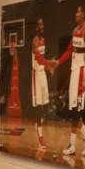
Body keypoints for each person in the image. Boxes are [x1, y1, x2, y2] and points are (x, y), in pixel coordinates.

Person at [52, 5, 85, 156]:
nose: (76, 13)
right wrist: (57, 62)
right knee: (73, 110)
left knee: (74, 111)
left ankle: (76, 143)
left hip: (81, 72)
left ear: (84, 14)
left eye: (78, 11)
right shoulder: (75, 30)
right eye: (75, 10)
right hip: (74, 72)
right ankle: (84, 139)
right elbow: (69, 50)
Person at [31, 18, 54, 150]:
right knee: (39, 107)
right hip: (36, 75)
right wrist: (49, 64)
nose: (42, 26)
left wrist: (48, 68)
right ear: (36, 28)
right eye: (40, 25)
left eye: (43, 24)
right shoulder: (34, 41)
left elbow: (42, 60)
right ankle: (40, 138)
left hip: (42, 73)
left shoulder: (43, 40)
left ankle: (37, 123)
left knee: (46, 104)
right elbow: (39, 59)